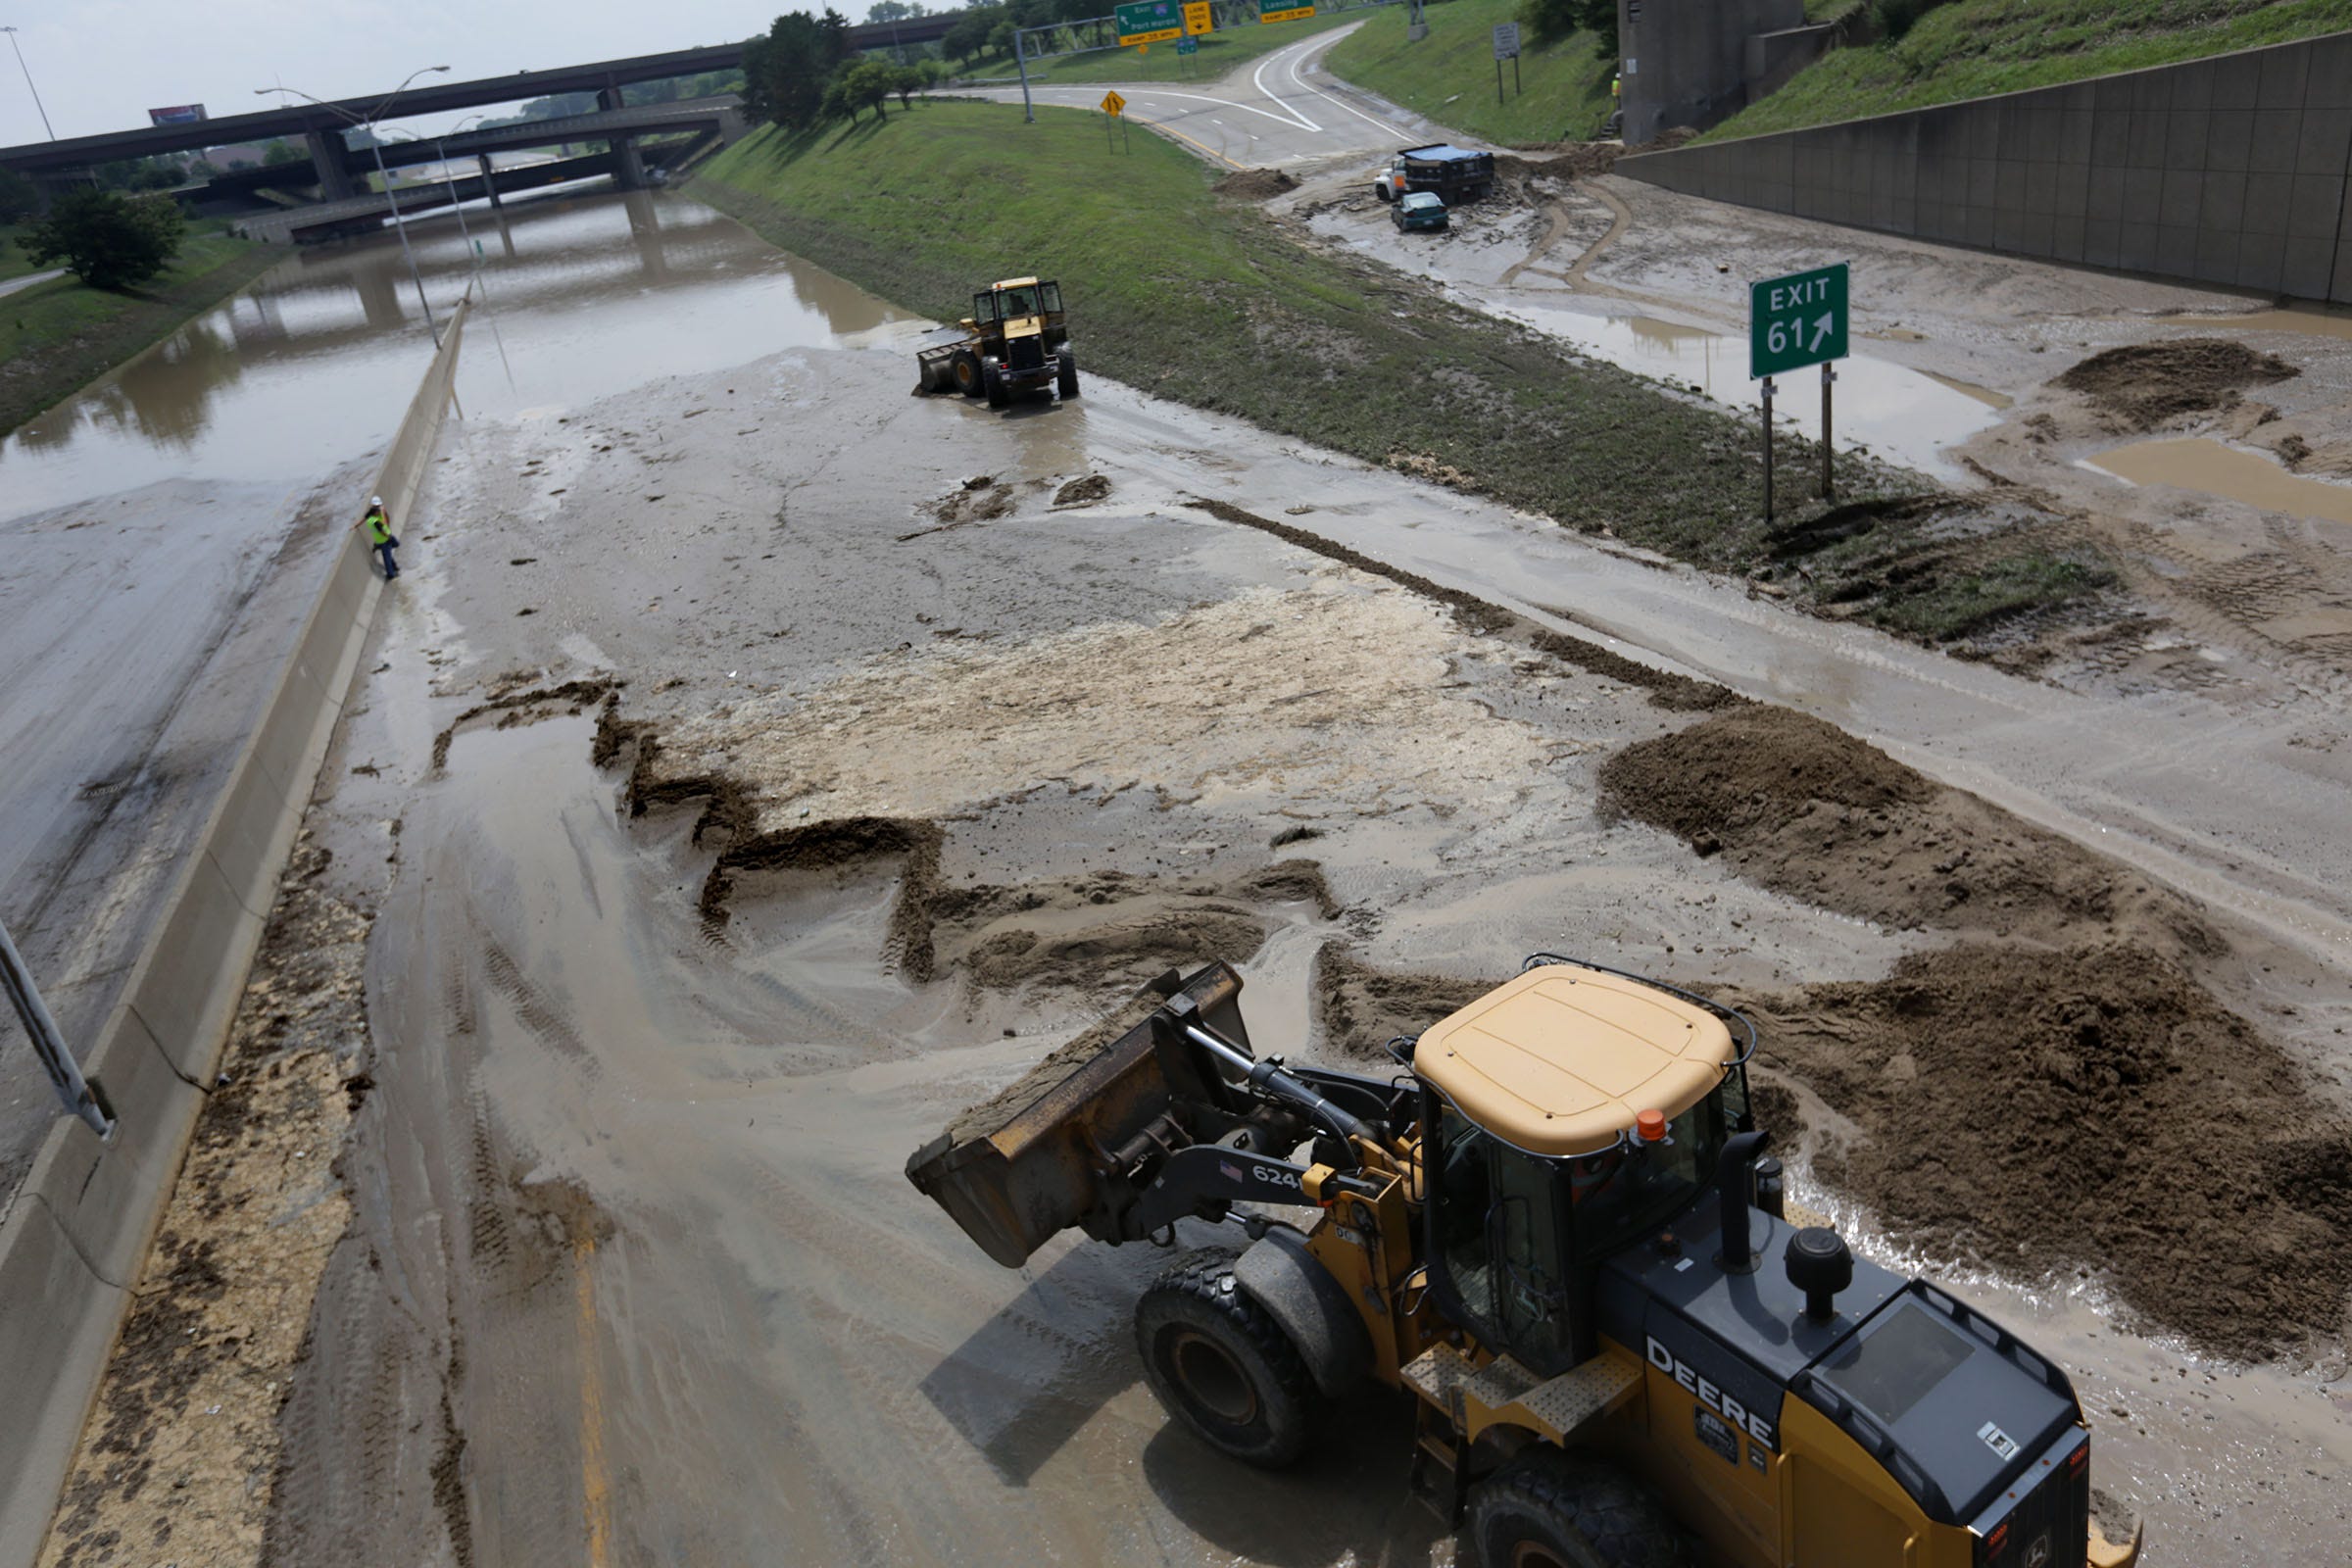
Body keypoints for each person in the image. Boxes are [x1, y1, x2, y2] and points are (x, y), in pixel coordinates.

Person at [358, 495, 399, 580]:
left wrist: (355, 526)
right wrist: (388, 536)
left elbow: (387, 521)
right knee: (387, 557)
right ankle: (391, 573)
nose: (378, 508)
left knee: (395, 545)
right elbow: (382, 525)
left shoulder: (373, 515)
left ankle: (394, 566)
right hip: (384, 539)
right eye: (377, 507)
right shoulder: (375, 520)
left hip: (386, 535)